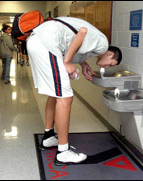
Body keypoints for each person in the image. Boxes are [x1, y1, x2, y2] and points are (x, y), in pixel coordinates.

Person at [26, 17, 122, 166]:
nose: (108, 66)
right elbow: (82, 32)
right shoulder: (103, 45)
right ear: (110, 54)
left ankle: (49, 137)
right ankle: (63, 153)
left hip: (38, 41)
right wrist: (67, 63)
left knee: (56, 94)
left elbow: (75, 45)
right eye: (111, 64)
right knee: (66, 98)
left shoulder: (93, 51)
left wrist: (83, 64)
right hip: (47, 44)